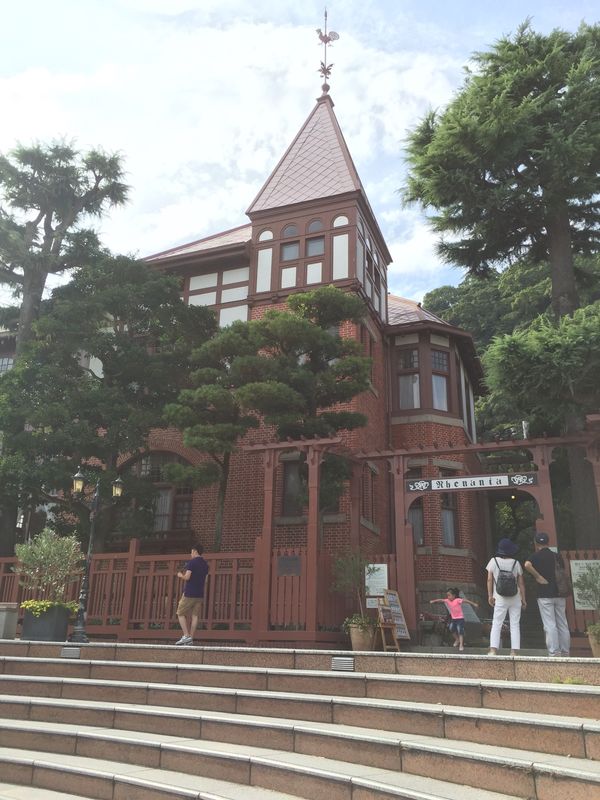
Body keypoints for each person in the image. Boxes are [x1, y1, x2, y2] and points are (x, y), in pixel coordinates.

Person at [524, 532, 570, 657]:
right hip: (559, 594)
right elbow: (563, 571)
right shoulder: (557, 556)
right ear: (548, 542)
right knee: (562, 623)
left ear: (536, 543)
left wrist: (538, 576)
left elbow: (527, 564)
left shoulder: (535, 556)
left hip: (544, 594)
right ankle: (565, 651)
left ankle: (554, 652)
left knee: (550, 624)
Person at [486, 538, 526, 655]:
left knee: (497, 623)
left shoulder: (493, 561)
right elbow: (521, 583)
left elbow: (489, 580)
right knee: (514, 624)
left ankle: (493, 649)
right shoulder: (516, 563)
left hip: (500, 597)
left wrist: (490, 596)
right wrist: (523, 599)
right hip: (515, 598)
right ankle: (514, 651)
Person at [175, 543, 209, 646]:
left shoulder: (192, 562)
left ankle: (186, 635)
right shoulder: (205, 564)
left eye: (191, 552)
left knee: (180, 613)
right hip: (199, 593)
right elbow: (206, 580)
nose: (191, 554)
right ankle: (191, 639)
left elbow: (187, 577)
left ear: (194, 551)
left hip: (189, 592)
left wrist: (180, 575)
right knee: (195, 616)